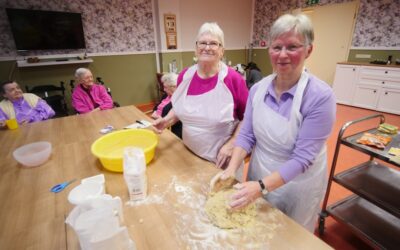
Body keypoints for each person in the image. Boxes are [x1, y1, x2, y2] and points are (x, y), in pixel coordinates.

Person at [217, 14, 336, 232]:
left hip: (298, 183)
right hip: (260, 170)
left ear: (309, 50)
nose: (282, 55)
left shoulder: (320, 96)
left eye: (292, 47)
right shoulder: (258, 89)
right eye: (276, 47)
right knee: (256, 230)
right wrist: (231, 170)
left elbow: (302, 158)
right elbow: (246, 134)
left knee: (290, 236)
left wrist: (262, 187)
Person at [153, 22, 249, 168]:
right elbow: (181, 107)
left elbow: (248, 118)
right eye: (203, 43)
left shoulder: (233, 79)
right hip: (188, 154)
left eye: (214, 43)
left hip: (221, 161)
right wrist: (166, 121)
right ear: (196, 49)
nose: (207, 47)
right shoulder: (185, 76)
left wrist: (232, 144)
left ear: (222, 50)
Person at [151, 72, 182, 138]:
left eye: (165, 87)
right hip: (159, 123)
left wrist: (160, 118)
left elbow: (173, 115)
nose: (164, 90)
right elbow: (156, 107)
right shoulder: (166, 95)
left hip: (170, 129)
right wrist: (155, 112)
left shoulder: (179, 99)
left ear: (174, 86)